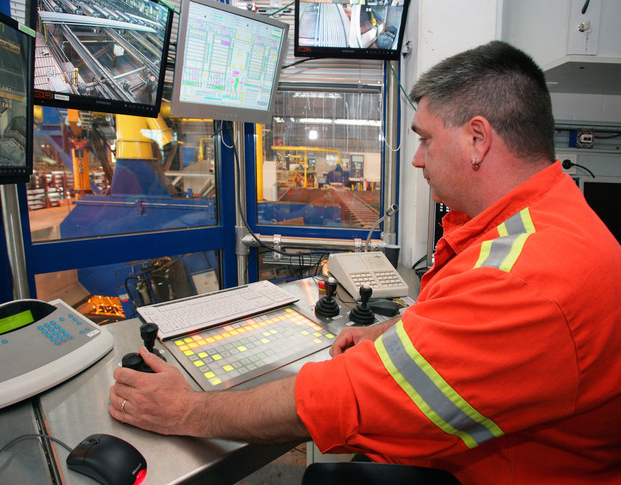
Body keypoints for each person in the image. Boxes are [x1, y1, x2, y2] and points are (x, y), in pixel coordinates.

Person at [109, 41, 621, 484]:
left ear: (478, 139)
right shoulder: (545, 220)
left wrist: (189, 410)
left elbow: (339, 400)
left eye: (424, 138)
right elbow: (468, 320)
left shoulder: (528, 277)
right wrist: (396, 333)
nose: (416, 158)